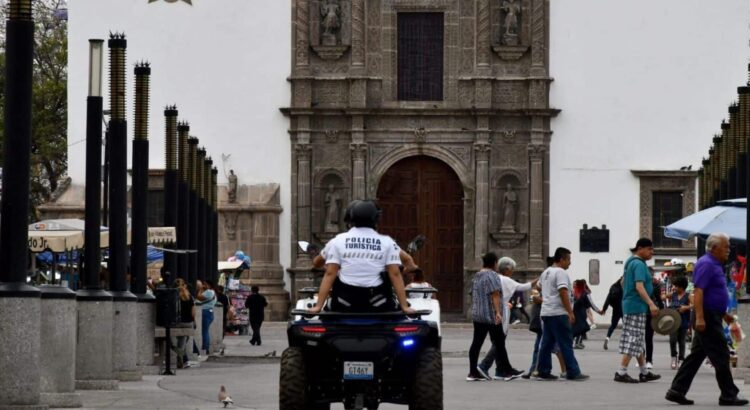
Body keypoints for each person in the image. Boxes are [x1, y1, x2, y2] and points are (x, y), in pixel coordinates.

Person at [666, 233, 747, 406]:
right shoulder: (706, 263)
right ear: (715, 248)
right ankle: (728, 394)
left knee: (696, 356)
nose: (728, 250)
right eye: (726, 246)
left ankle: (677, 390)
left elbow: (712, 292)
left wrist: (724, 314)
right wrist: (701, 319)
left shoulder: (715, 264)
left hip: (713, 314)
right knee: (721, 354)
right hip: (707, 316)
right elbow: (699, 292)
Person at [308, 200, 415, 315]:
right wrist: (404, 306)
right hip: (378, 303)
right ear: (376, 220)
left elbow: (330, 273)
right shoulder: (387, 242)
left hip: (344, 302)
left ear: (350, 219)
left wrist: (318, 306)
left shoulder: (338, 240)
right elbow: (395, 274)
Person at [535, 247, 589, 381]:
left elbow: (538, 286)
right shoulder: (560, 273)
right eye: (568, 260)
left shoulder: (546, 272)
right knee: (566, 342)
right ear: (561, 259)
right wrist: (570, 312)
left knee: (547, 343)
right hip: (558, 312)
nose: (570, 263)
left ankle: (543, 370)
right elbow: (563, 292)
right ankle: (573, 371)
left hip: (546, 311)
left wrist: (547, 295)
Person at [477, 257, 535, 380]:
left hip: (490, 310)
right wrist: (540, 278)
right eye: (512, 269)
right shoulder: (507, 280)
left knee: (496, 341)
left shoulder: (493, 277)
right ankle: (484, 365)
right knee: (499, 341)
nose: (513, 271)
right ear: (507, 269)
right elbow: (525, 286)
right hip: (501, 310)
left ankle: (500, 370)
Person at [614, 238, 660, 383]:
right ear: (640, 248)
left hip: (630, 304)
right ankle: (621, 372)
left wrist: (628, 294)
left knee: (638, 339)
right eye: (649, 249)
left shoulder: (629, 262)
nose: (652, 252)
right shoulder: (639, 264)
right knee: (634, 339)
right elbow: (640, 287)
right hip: (636, 306)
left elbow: (622, 282)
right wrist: (651, 303)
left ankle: (644, 372)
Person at [466, 252, 504, 381]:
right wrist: (498, 312)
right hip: (490, 315)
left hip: (478, 314)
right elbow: (495, 294)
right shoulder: (492, 275)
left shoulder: (477, 275)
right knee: (499, 342)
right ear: (494, 263)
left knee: (476, 343)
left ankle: (472, 372)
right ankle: (504, 370)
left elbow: (472, 293)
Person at [669, 275, 691, 370]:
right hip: (673, 322)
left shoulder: (688, 296)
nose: (674, 288)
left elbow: (694, 305)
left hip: (683, 321)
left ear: (682, 287)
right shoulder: (672, 295)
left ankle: (681, 359)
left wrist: (686, 307)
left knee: (682, 341)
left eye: (676, 286)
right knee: (672, 340)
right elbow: (662, 296)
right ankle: (674, 357)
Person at [572, 279, 602, 349]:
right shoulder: (577, 292)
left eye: (575, 284)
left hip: (579, 312)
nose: (574, 285)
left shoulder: (581, 293)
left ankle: (578, 342)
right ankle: (576, 342)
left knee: (580, 328)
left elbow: (590, 304)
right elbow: (592, 304)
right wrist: (598, 311)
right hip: (579, 313)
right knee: (581, 328)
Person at [171, 278, 195, 368]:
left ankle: (178, 352)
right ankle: (181, 356)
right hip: (188, 323)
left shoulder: (173, 296)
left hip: (176, 323)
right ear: (184, 285)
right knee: (183, 337)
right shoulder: (190, 296)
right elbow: (193, 313)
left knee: (168, 338)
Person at [601, 276, 624, 350]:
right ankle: (624, 343)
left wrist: (604, 309)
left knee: (613, 326)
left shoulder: (613, 287)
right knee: (626, 327)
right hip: (624, 310)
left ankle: (607, 338)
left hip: (616, 310)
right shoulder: (625, 287)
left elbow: (608, 299)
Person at [195, 279, 217, 356]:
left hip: (205, 312)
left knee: (204, 331)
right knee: (205, 330)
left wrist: (200, 289)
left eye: (205, 284)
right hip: (209, 312)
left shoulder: (209, 292)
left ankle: (205, 347)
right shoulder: (212, 292)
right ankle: (206, 347)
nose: (203, 286)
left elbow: (199, 297)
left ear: (209, 285)